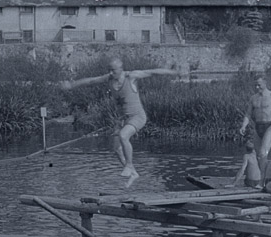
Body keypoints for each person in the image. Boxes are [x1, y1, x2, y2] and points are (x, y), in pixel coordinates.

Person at [61, 58, 182, 187]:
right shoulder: (109, 79)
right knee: (117, 150)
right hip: (124, 119)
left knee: (123, 136)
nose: (111, 73)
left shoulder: (131, 76)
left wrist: (172, 72)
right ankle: (134, 173)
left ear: (121, 69)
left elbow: (153, 72)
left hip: (138, 117)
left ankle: (129, 165)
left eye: (113, 70)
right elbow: (91, 81)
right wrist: (72, 85)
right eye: (109, 70)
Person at [239, 75, 271, 185]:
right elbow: (248, 114)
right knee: (259, 156)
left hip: (270, 126)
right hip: (258, 127)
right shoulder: (253, 98)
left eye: (259, 85)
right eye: (255, 85)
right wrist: (243, 126)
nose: (257, 87)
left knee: (263, 154)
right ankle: (267, 177)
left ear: (265, 83)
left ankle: (262, 182)